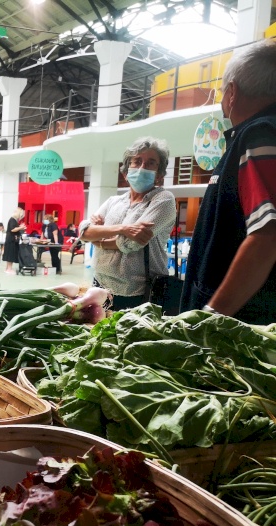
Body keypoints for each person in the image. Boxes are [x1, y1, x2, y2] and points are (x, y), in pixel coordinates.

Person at [180, 39, 276, 324]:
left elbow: (267, 236)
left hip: (238, 327)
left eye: (222, 92)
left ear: (232, 92)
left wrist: (209, 317)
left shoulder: (259, 135)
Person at [79, 137, 176, 310]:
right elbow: (84, 231)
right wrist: (122, 229)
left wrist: (98, 238)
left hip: (139, 292)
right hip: (100, 285)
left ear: (159, 175)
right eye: (137, 161)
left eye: (151, 163)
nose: (142, 168)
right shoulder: (114, 201)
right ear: (126, 171)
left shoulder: (163, 200)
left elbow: (132, 242)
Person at [2, 207, 26, 274]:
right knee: (11, 254)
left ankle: (7, 268)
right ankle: (9, 269)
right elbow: (13, 229)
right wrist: (21, 227)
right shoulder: (13, 220)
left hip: (10, 239)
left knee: (9, 254)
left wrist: (19, 226)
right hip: (11, 240)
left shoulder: (13, 220)